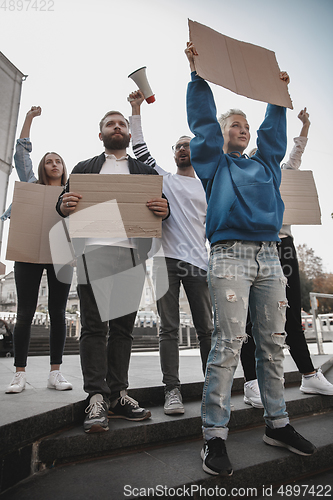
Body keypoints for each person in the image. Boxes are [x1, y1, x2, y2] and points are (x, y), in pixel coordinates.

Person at [185, 42, 316, 476]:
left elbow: (275, 135)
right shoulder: (213, 164)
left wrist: (275, 96)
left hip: (269, 258)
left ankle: (277, 423)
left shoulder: (266, 166)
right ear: (223, 135)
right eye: (234, 125)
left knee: (273, 345)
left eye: (245, 126)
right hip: (229, 257)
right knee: (228, 343)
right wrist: (198, 76)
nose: (241, 130)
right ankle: (215, 436)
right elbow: (203, 124)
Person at [56, 110, 169, 433]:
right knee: (93, 327)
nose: (116, 127)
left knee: (122, 329)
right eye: (110, 124)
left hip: (131, 255)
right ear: (101, 134)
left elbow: (162, 207)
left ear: (129, 135)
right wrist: (63, 205)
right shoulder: (84, 169)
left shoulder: (144, 171)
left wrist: (165, 209)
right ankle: (96, 396)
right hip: (93, 253)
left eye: (121, 124)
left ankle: (119, 394)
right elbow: (64, 204)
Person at [128, 90, 213, 415]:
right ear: (173, 154)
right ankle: (172, 390)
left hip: (199, 264)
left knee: (206, 328)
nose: (183, 149)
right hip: (165, 261)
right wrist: (136, 108)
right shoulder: (164, 179)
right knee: (168, 328)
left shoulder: (208, 186)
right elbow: (140, 149)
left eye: (188, 145)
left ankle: (211, 388)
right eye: (178, 146)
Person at [241, 108, 333, 407]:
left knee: (291, 313)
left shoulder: (282, 174)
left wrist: (304, 125)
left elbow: (295, 155)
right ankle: (253, 382)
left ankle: (308, 375)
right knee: (250, 318)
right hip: (253, 247)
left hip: (284, 245)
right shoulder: (242, 176)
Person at [2, 106, 73, 394]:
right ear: (43, 167)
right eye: (49, 161)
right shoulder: (31, 185)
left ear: (63, 167)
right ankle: (19, 373)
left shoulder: (72, 192)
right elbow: (21, 156)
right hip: (29, 252)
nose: (53, 164)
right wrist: (29, 119)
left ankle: (55, 373)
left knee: (58, 312)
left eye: (58, 161)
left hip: (61, 254)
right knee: (25, 313)